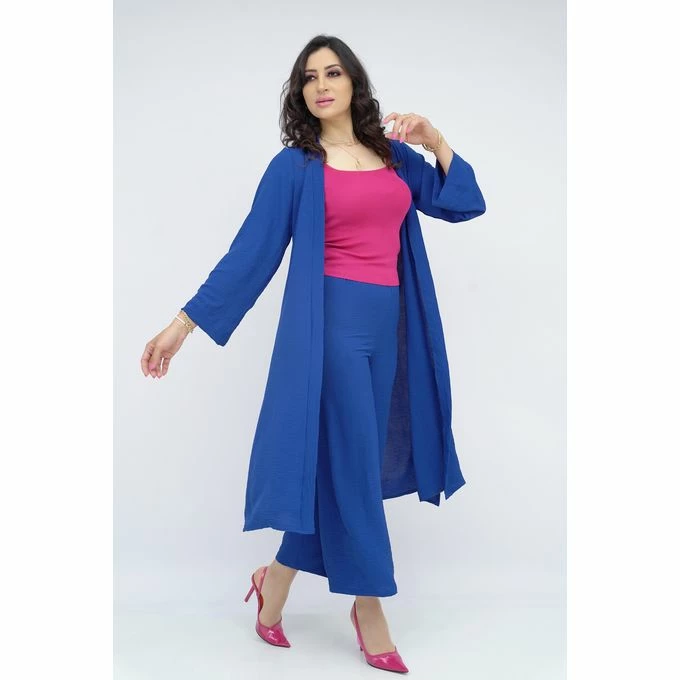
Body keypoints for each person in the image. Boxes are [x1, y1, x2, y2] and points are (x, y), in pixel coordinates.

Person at [140, 34, 485, 674]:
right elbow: (252, 253)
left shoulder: (393, 157)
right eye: (308, 77)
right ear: (300, 93)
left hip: (388, 331)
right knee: (355, 463)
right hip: (330, 329)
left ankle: (273, 583)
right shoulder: (296, 167)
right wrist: (181, 325)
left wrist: (433, 138)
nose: (321, 85)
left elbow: (464, 202)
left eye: (332, 73)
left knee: (345, 461)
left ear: (354, 82)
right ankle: (370, 606)